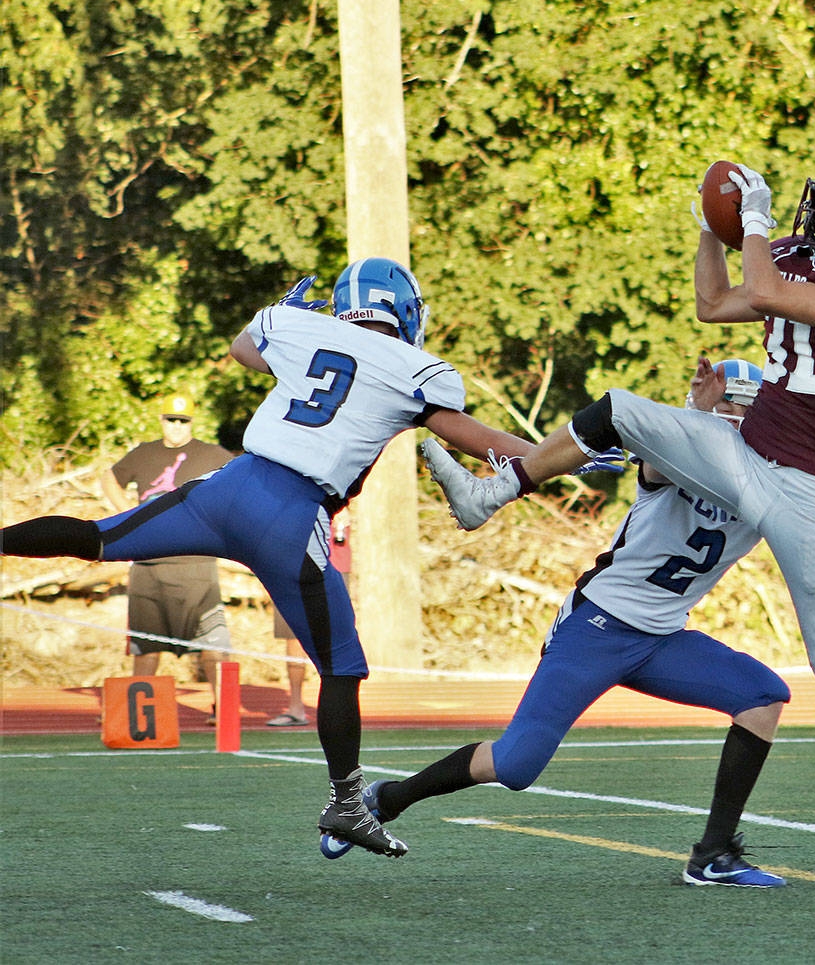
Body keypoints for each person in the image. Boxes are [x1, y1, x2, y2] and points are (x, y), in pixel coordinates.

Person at [421, 154, 815, 854]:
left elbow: (766, 295)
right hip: (748, 452)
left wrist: (756, 224)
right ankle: (498, 487)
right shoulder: (793, 252)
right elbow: (714, 304)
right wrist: (712, 226)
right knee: (617, 408)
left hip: (807, 482)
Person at [1, 258, 536, 858]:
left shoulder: (300, 328)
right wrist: (553, 455)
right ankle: (347, 804)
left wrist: (288, 317)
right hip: (291, 511)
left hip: (227, 488)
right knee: (341, 668)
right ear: (406, 310)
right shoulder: (416, 368)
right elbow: (473, 436)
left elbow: (244, 348)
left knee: (99, 536)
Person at [329, 357, 815, 886]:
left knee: (762, 694)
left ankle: (714, 854)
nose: (741, 425)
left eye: (747, 414)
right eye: (735, 411)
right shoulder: (681, 452)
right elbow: (655, 456)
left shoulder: (773, 483)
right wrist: (698, 408)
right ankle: (390, 797)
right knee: (518, 763)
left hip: (662, 636)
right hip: (598, 626)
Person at [101, 394, 234, 724]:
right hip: (150, 567)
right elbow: (109, 478)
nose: (176, 426)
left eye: (183, 420)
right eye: (171, 420)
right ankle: (139, 717)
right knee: (146, 647)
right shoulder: (144, 452)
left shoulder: (212, 454)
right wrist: (127, 515)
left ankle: (225, 710)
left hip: (197, 567)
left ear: (192, 421)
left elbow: (241, 482)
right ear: (161, 420)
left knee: (215, 646)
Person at [265, 510, 350, 728]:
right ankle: (296, 708)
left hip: (332, 564)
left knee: (336, 640)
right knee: (293, 639)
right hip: (291, 566)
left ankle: (342, 710)